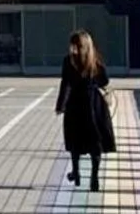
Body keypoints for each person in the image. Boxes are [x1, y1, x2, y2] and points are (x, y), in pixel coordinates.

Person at [55, 30, 115, 191]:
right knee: (95, 140)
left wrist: (61, 105)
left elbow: (65, 84)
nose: (73, 48)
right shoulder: (95, 61)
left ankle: (76, 172)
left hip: (75, 104)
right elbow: (105, 81)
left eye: (75, 45)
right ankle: (94, 178)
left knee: (75, 139)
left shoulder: (68, 61)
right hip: (94, 105)